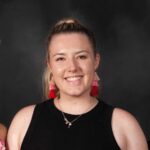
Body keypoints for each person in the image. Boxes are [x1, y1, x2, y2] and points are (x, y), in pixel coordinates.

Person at [7, 17, 148, 150]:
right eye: (60, 58)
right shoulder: (23, 122)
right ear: (49, 65)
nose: (73, 67)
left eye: (81, 56)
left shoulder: (125, 125)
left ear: (96, 61)